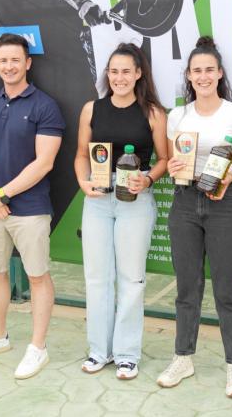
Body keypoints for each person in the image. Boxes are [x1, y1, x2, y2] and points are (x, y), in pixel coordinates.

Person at [157, 36, 232, 398]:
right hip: (185, 203)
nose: (203, 76)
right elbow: (176, 162)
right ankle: (182, 357)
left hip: (225, 205)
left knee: (227, 290)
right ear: (188, 76)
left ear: (220, 74)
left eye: (209, 70)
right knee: (187, 289)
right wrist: (174, 165)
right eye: (196, 71)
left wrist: (230, 176)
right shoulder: (178, 116)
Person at [0, 33, 66, 380]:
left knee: (37, 276)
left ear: (28, 63)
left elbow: (44, 162)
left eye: (15, 60)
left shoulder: (45, 106)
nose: (9, 66)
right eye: (3, 61)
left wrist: (1, 195)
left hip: (29, 208)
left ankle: (38, 348)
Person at [74, 43, 168, 379]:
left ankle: (127, 354)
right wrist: (83, 183)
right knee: (97, 278)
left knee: (131, 279)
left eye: (126, 71)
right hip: (98, 198)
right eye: (114, 71)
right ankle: (99, 351)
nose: (119, 77)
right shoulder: (92, 109)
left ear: (139, 73)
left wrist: (148, 179)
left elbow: (165, 160)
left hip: (135, 199)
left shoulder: (154, 113)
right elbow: (81, 155)